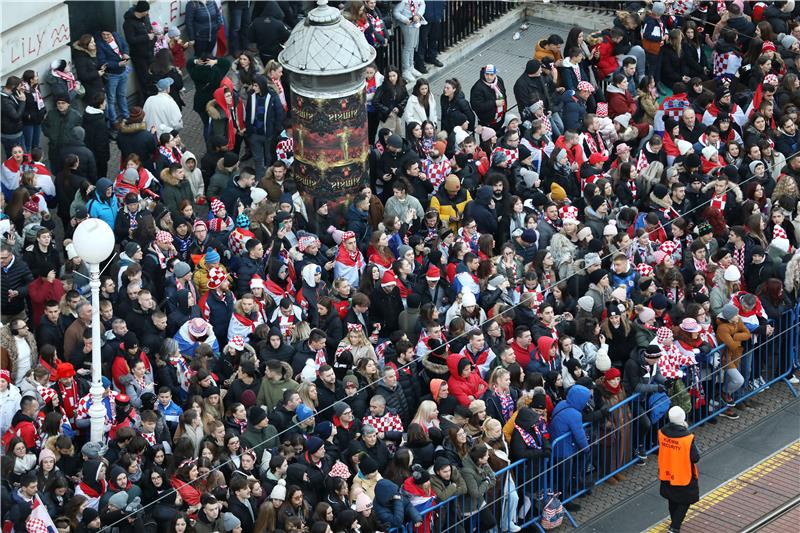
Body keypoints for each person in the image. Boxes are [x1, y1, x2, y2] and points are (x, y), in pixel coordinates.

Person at [658, 406, 700, 533]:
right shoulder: (687, 438)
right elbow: (695, 457)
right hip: (683, 474)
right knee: (685, 500)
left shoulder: (662, 433)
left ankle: (674, 522)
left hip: (667, 472)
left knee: (673, 499)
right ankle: (675, 527)